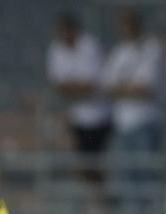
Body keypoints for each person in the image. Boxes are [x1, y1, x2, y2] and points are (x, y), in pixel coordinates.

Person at [101, 9, 165, 212]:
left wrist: (122, 88)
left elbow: (146, 88)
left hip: (146, 121)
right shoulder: (119, 52)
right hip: (123, 123)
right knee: (127, 174)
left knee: (146, 173)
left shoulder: (151, 48)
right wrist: (129, 88)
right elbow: (108, 86)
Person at [46, 12, 111, 183]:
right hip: (76, 116)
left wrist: (73, 88)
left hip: (99, 116)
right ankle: (92, 194)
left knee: (96, 164)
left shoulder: (90, 46)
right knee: (82, 165)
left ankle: (101, 194)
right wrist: (78, 88)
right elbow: (59, 85)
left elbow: (91, 84)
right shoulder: (56, 49)